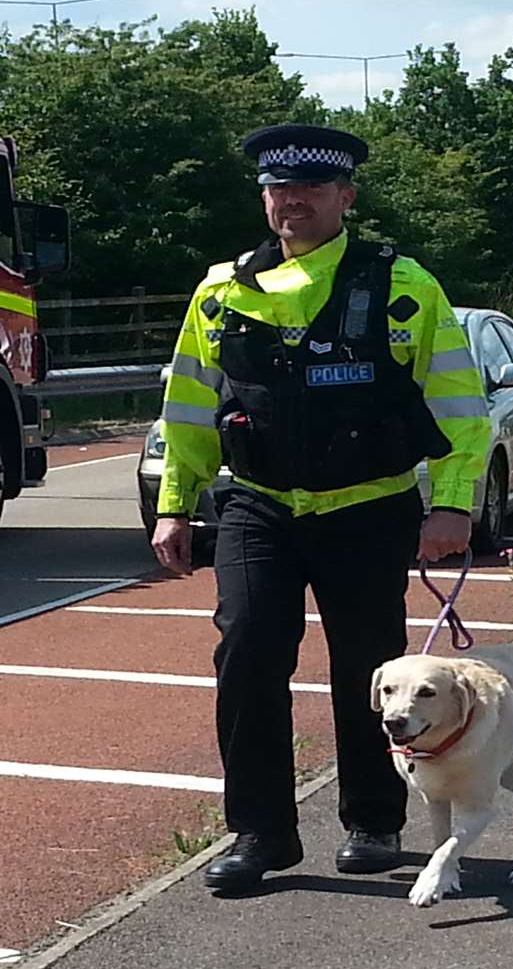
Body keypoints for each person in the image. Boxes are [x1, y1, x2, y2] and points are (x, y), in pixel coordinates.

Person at [150, 123, 493, 890]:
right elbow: (190, 405)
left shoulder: (402, 285)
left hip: (368, 506)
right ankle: (260, 834)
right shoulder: (221, 289)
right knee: (247, 654)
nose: (290, 200)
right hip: (259, 505)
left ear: (345, 196)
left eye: (308, 187)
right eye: (277, 187)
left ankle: (373, 819)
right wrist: (176, 505)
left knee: (368, 671)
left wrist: (454, 503)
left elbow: (460, 408)